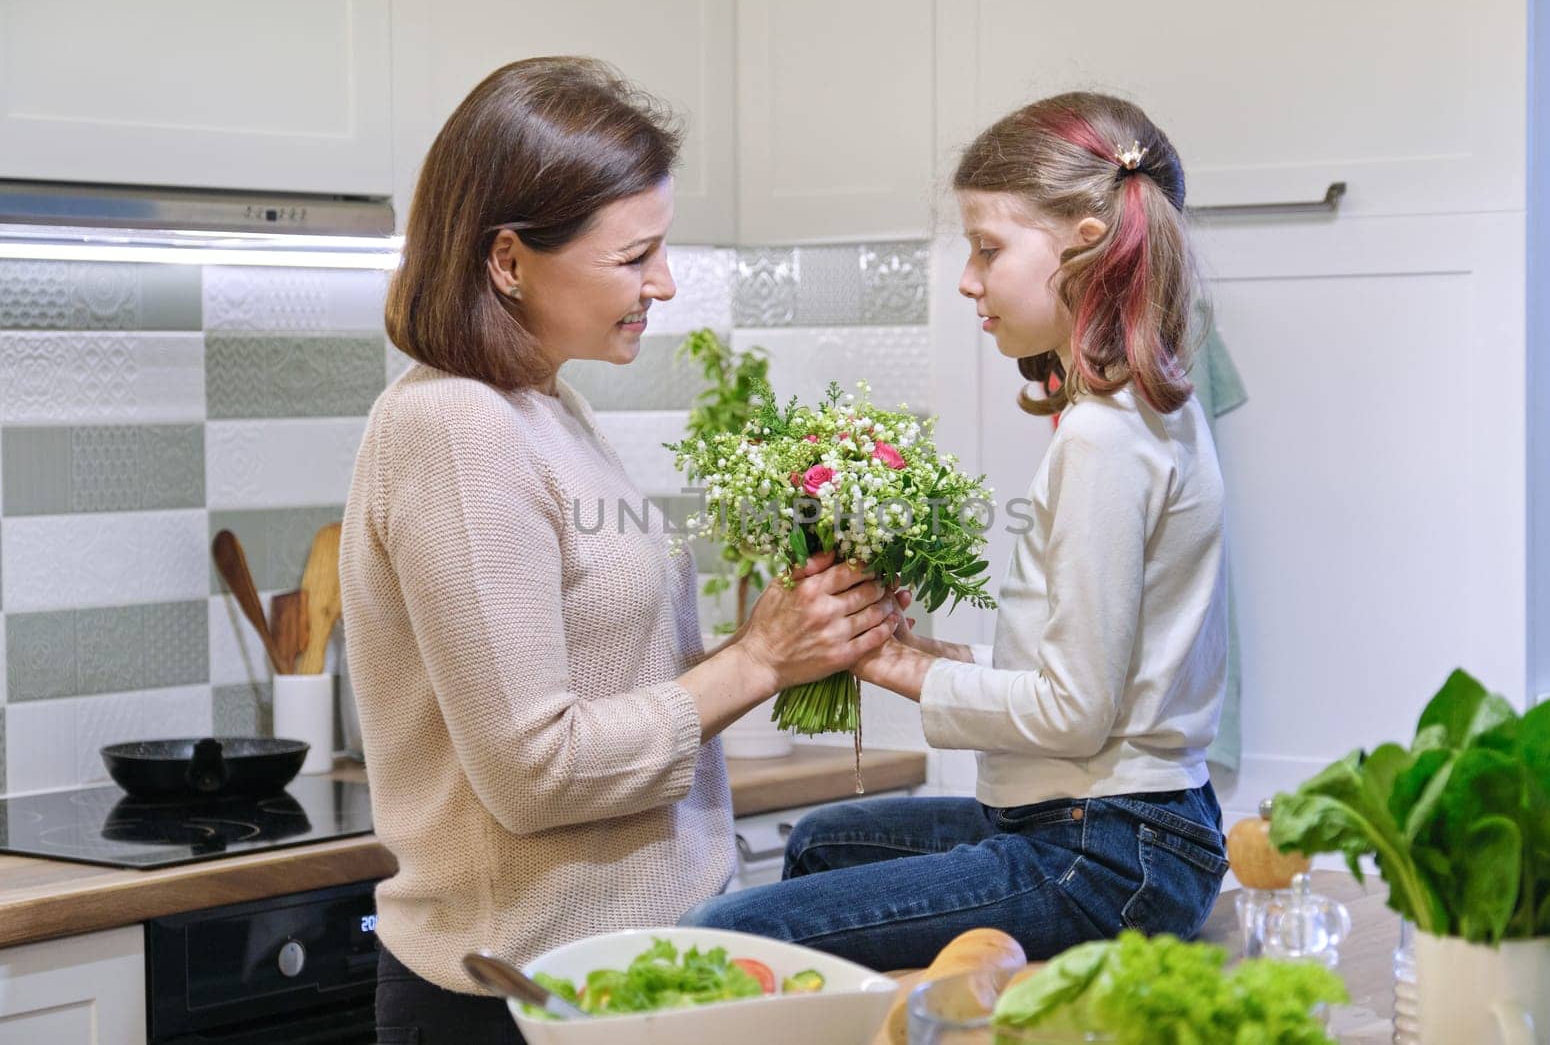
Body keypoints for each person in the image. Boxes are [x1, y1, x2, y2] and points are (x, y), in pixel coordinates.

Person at [341, 56, 900, 1042]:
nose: (666, 282)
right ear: (507, 259)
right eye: (635, 256)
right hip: (514, 998)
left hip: (619, 977)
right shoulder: (457, 427)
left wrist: (785, 640)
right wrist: (760, 658)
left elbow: (617, 679)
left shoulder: (543, 402)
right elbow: (535, 771)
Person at [680, 91, 1229, 971]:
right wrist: (917, 649)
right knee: (823, 841)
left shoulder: (1103, 436)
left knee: (720, 938)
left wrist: (885, 663)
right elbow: (1079, 677)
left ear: (1084, 240)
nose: (969, 280)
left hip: (1104, 853)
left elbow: (1072, 712)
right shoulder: (1145, 409)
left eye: (987, 249)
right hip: (1132, 835)